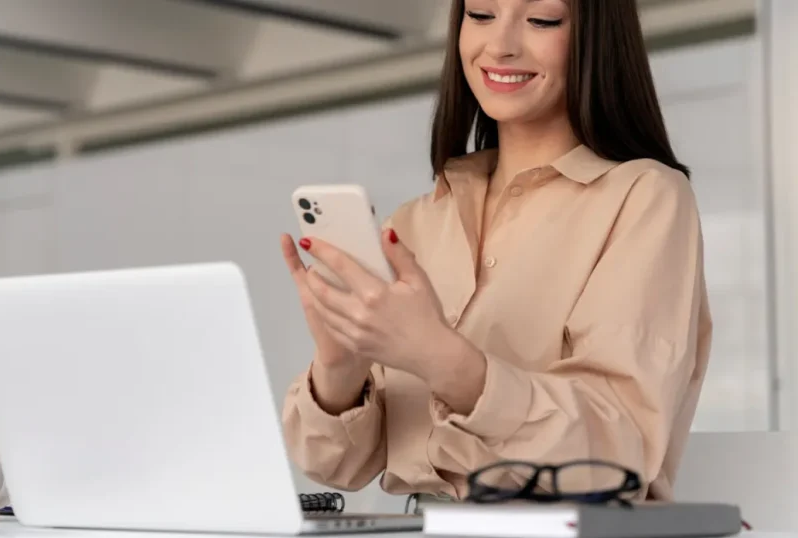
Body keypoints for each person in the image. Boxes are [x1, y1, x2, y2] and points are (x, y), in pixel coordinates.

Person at [278, 0, 711, 506]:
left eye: (542, 19)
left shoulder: (645, 197)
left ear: (596, 37)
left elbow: (618, 453)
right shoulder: (415, 222)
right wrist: (339, 366)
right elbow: (337, 464)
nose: (500, 46)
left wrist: (442, 359)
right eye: (480, 14)